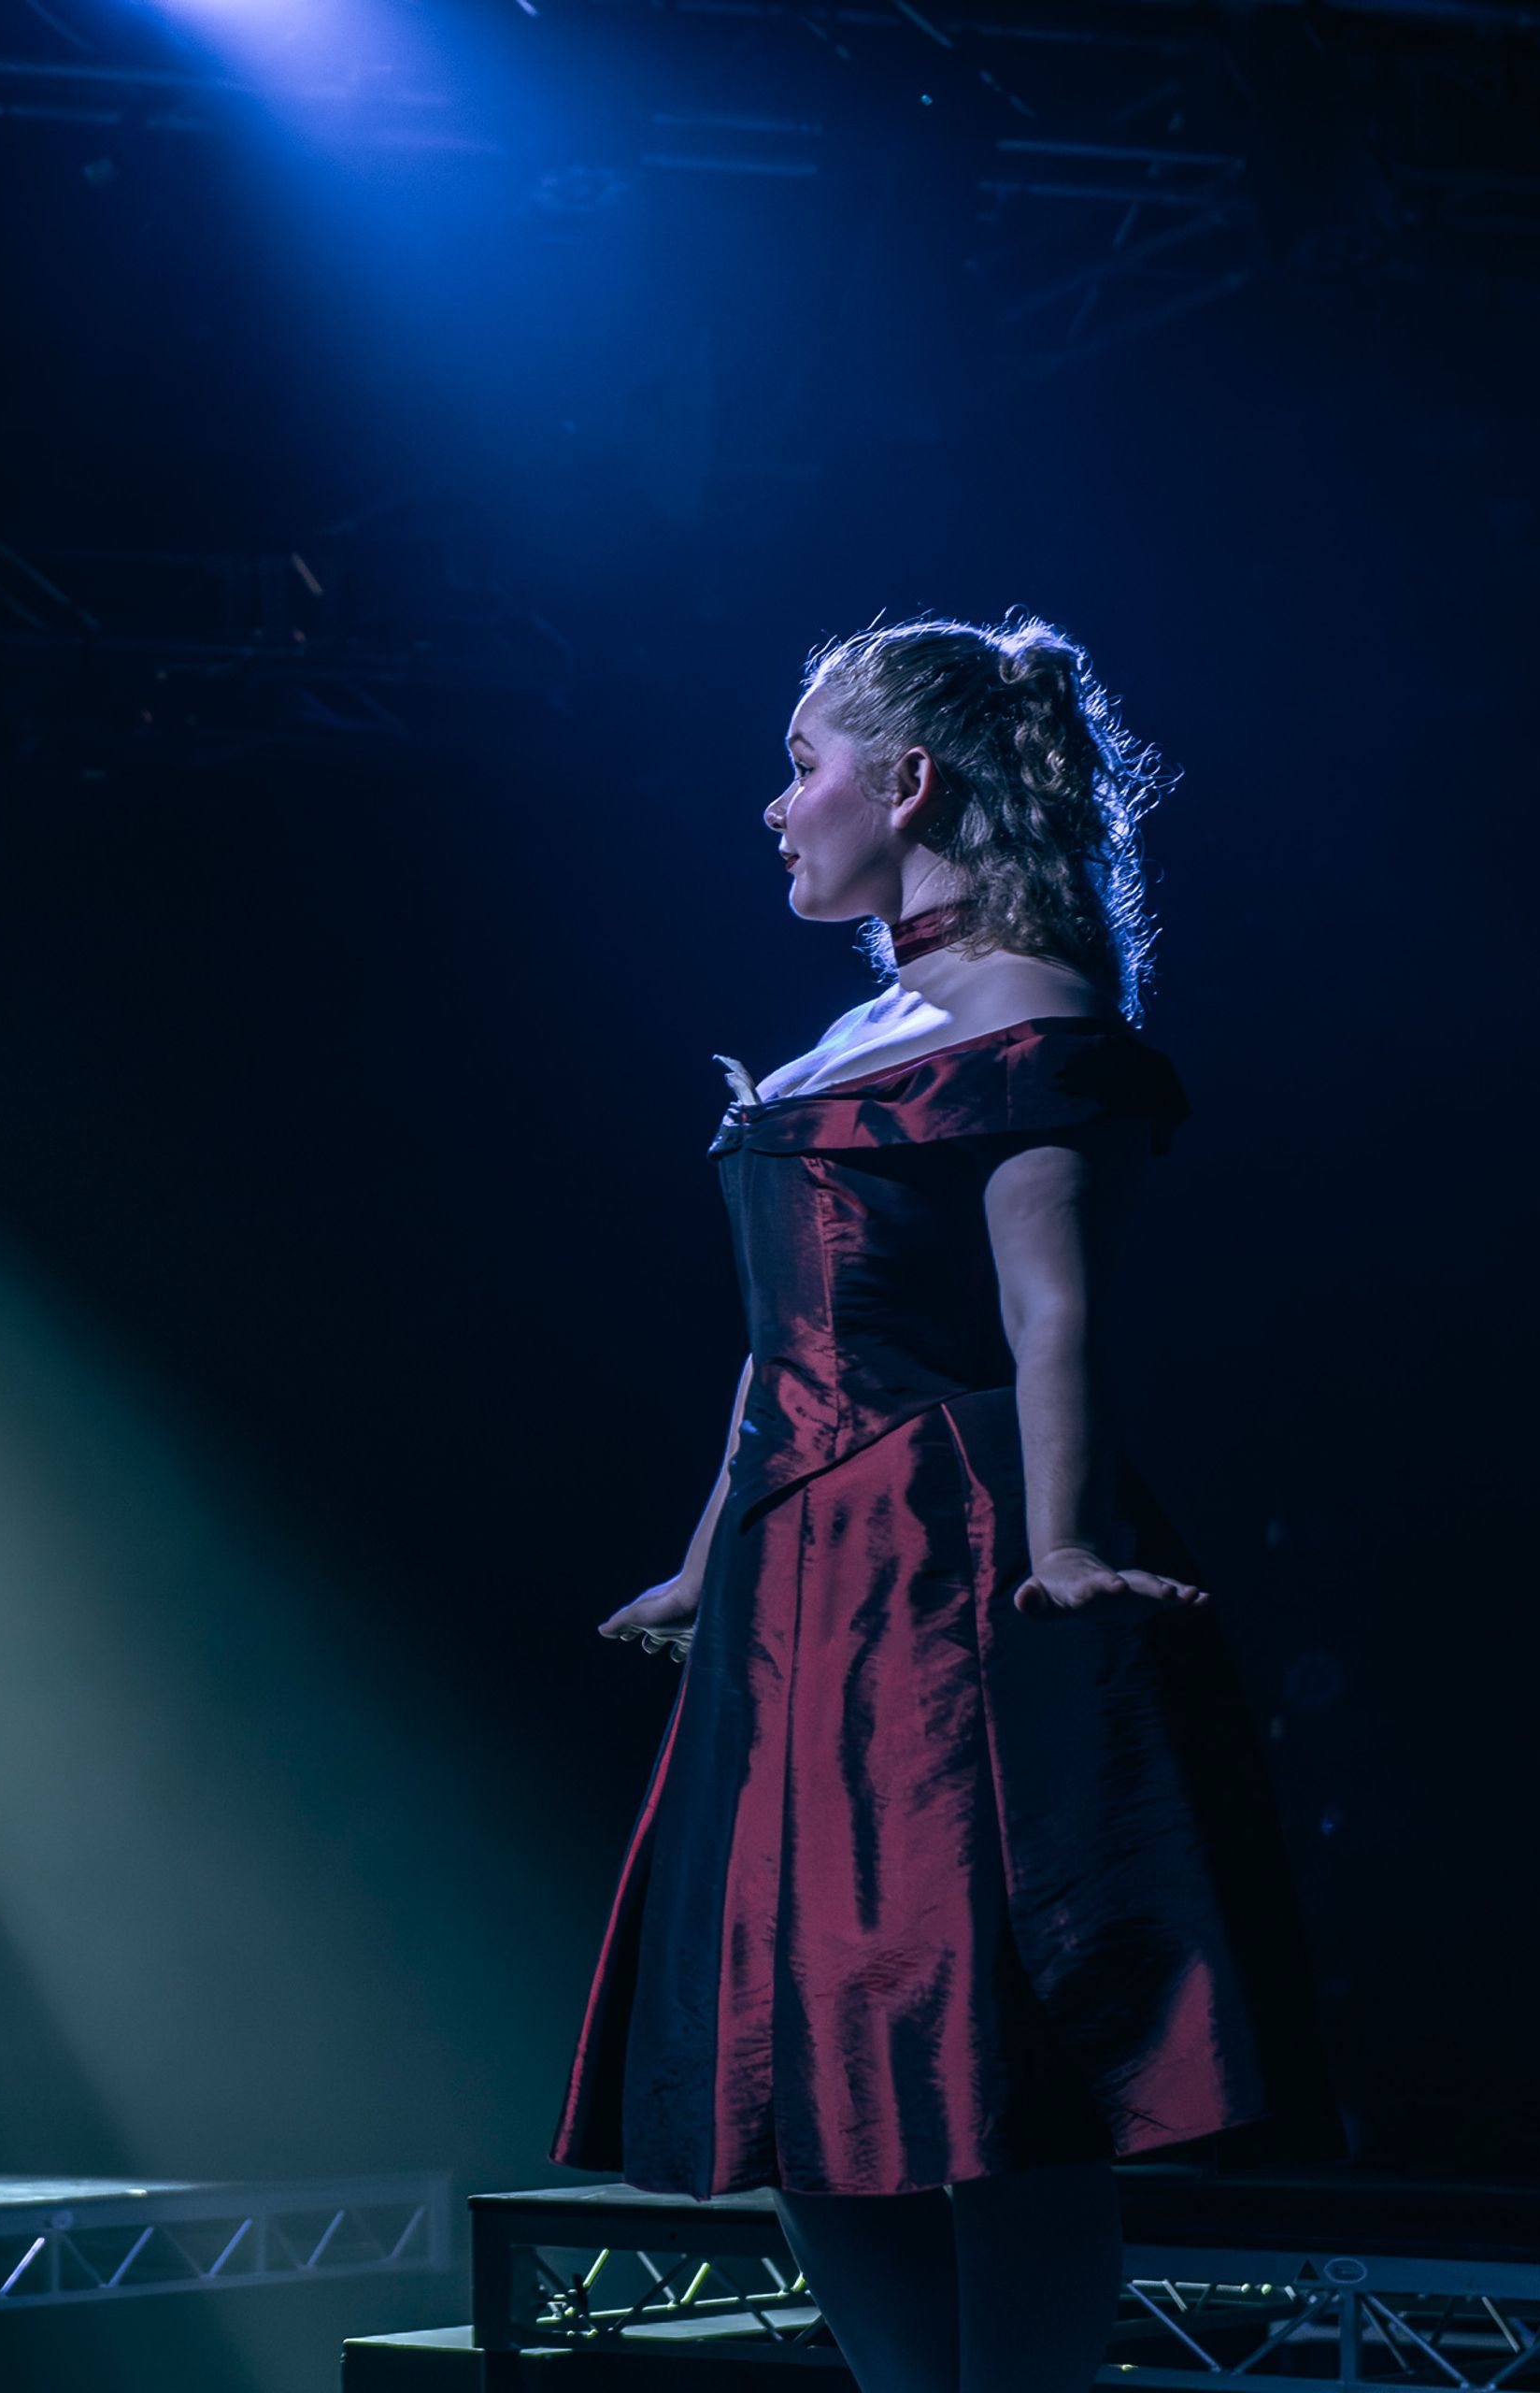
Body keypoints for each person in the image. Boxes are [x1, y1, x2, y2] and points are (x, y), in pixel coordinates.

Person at [558, 617, 1310, 2393]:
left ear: (906, 786)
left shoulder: (1030, 1016)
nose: (775, 806)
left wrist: (1057, 1545)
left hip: (934, 1558)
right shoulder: (858, 1025)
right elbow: (778, 1347)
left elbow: (1056, 1307)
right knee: (800, 2044)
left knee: (975, 2042)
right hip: (791, 1574)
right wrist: (695, 1565)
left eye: (803, 764)